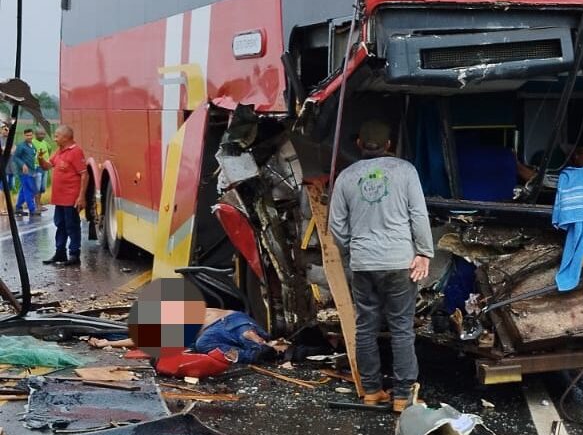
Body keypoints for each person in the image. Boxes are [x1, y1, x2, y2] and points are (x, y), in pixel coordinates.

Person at [329, 120, 434, 412]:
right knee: (401, 328)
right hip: (400, 261)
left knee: (365, 328)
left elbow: (336, 224)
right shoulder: (405, 171)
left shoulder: (346, 177)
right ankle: (403, 396)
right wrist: (424, 251)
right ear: (389, 145)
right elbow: (418, 214)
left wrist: (355, 248)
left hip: (363, 264)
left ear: (360, 144)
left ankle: (372, 391)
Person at [88, 308, 290, 364]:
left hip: (230, 323)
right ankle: (264, 348)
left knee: (204, 344)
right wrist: (111, 342)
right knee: (205, 344)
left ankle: (261, 349)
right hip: (228, 329)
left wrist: (111, 343)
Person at [38, 125, 88, 266]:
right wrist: (40, 159)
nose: (54, 139)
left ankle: (74, 254)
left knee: (72, 225)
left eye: (57, 136)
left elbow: (84, 174)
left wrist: (81, 196)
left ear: (65, 137)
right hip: (59, 198)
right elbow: (48, 166)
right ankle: (60, 253)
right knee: (60, 224)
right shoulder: (59, 151)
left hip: (70, 197)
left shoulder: (76, 152)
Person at [12, 128, 38, 217]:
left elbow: (33, 157)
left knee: (24, 190)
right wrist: (22, 164)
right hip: (23, 172)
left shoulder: (33, 146)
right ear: (24, 136)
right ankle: (32, 209)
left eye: (30, 135)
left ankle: (18, 207)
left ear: (33, 135)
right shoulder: (21, 146)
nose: (29, 137)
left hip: (31, 171)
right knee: (29, 190)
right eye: (27, 135)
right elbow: (15, 157)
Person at [32, 127, 51, 211]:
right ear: (35, 134)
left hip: (45, 167)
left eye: (43, 134)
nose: (42, 136)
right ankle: (37, 205)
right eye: (40, 134)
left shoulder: (45, 143)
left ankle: (38, 203)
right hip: (36, 167)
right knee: (37, 187)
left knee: (42, 187)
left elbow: (49, 150)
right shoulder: (32, 143)